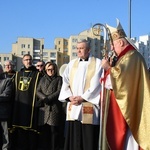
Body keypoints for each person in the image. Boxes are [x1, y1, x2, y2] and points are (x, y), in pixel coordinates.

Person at [100, 19, 150, 150]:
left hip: (129, 113)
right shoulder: (126, 57)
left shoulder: (131, 57)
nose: (111, 48)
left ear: (121, 42)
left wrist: (108, 69)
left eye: (113, 44)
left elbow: (121, 82)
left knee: (128, 143)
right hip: (125, 109)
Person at [58, 39, 102, 150]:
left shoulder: (97, 63)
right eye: (77, 48)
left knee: (89, 138)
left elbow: (96, 85)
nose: (79, 51)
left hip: (89, 105)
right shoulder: (72, 64)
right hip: (74, 105)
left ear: (89, 49)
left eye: (81, 48)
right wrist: (69, 97)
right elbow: (65, 82)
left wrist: (82, 98)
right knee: (74, 137)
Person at [12, 54, 41, 150]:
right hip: (19, 107)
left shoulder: (38, 74)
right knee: (20, 132)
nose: (28, 61)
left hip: (32, 107)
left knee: (31, 133)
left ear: (32, 61)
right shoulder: (17, 75)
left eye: (29, 59)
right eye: (26, 60)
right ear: (23, 61)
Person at [36, 61, 64, 150]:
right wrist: (44, 98)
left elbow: (59, 91)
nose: (50, 71)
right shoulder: (42, 79)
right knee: (44, 131)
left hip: (54, 108)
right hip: (44, 108)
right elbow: (37, 91)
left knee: (54, 132)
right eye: (48, 70)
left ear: (55, 70)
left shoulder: (59, 79)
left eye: (52, 69)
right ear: (45, 70)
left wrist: (49, 98)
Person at [0, 60, 16, 149]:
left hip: (3, 113)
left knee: (5, 137)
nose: (8, 67)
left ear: (1, 70)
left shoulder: (7, 81)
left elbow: (6, 95)